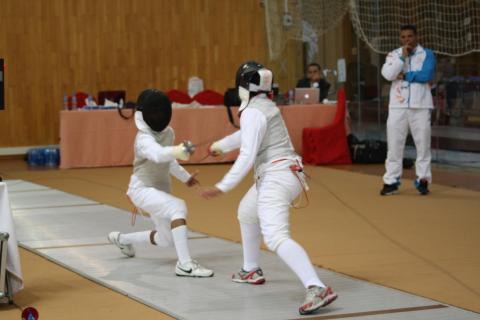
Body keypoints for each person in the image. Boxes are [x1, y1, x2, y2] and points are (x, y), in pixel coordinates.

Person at [201, 61, 337, 315]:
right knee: (247, 212)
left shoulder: (253, 111)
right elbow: (247, 135)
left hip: (277, 175)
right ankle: (250, 269)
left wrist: (223, 186)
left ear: (242, 85)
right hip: (282, 172)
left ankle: (316, 286)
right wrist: (220, 145)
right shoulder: (262, 106)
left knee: (275, 236)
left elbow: (247, 154)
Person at [108, 89, 213, 277]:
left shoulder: (168, 133)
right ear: (145, 114)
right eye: (154, 112)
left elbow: (168, 160)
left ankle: (122, 239)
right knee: (178, 207)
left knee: (166, 240)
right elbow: (157, 154)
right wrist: (177, 150)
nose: (158, 115)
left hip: (160, 190)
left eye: (160, 111)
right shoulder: (143, 139)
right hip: (142, 189)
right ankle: (185, 265)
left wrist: (186, 177)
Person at [380, 24, 436, 196]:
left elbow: (426, 75)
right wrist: (401, 59)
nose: (406, 40)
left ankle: (423, 180)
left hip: (421, 105)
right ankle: (391, 181)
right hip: (397, 106)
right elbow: (388, 75)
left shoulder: (427, 54)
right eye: (403, 37)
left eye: (410, 36)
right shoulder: (394, 54)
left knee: (423, 145)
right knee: (394, 145)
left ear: (416, 36)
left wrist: (405, 76)